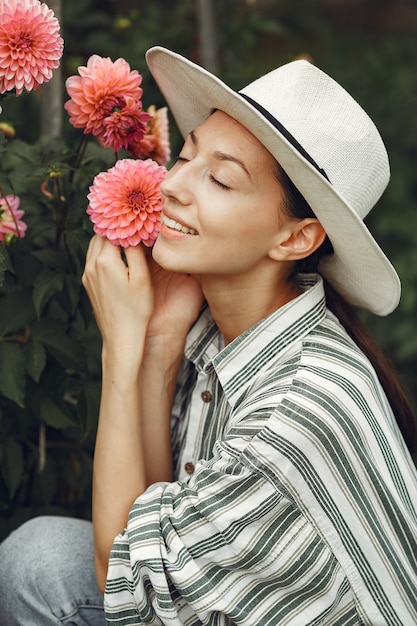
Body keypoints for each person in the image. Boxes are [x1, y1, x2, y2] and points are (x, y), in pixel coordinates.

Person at [0, 46, 416, 626]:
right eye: (187, 157)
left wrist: (121, 348)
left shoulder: (297, 411)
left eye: (219, 179)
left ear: (297, 239)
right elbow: (155, 518)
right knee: (37, 557)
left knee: (40, 560)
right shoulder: (231, 330)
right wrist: (162, 341)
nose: (173, 185)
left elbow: (126, 580)